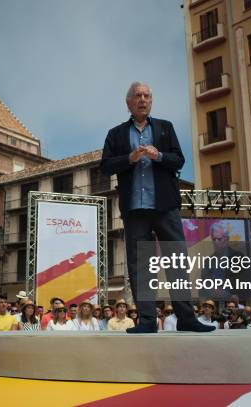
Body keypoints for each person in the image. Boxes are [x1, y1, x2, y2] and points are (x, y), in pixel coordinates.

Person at [100, 81, 215, 333]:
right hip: (135, 209)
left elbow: (178, 160)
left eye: (147, 96)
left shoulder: (165, 128)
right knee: (140, 266)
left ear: (151, 101)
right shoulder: (116, 134)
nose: (143, 99)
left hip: (166, 207)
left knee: (177, 262)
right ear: (128, 102)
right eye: (138, 96)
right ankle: (148, 322)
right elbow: (106, 166)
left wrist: (158, 156)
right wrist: (129, 158)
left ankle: (186, 319)